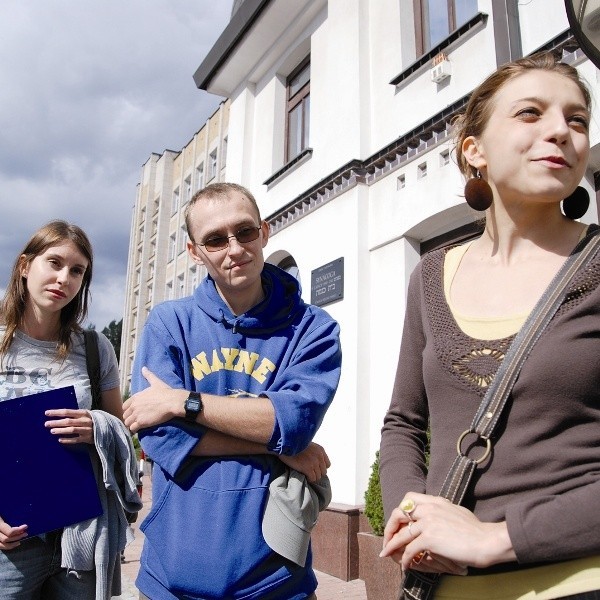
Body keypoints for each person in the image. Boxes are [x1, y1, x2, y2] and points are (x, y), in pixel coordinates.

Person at [379, 51, 600, 600]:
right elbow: (404, 424)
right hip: (446, 589)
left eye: (577, 120)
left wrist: (497, 539)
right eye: (531, 113)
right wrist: (413, 515)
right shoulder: (431, 275)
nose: (561, 131)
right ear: (473, 151)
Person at [123, 182, 342, 600]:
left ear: (264, 231)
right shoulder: (170, 323)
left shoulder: (313, 330)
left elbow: (291, 422)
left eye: (244, 232)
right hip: (172, 577)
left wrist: (181, 402)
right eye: (215, 239)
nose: (234, 248)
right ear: (195, 252)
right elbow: (161, 438)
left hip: (277, 579)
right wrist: (274, 447)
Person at [0, 220, 142, 600]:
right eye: (54, 262)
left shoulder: (95, 348)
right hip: (11, 541)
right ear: (25, 266)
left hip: (80, 534)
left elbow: (121, 426)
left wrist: (97, 425)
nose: (64, 277)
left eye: (77, 270)